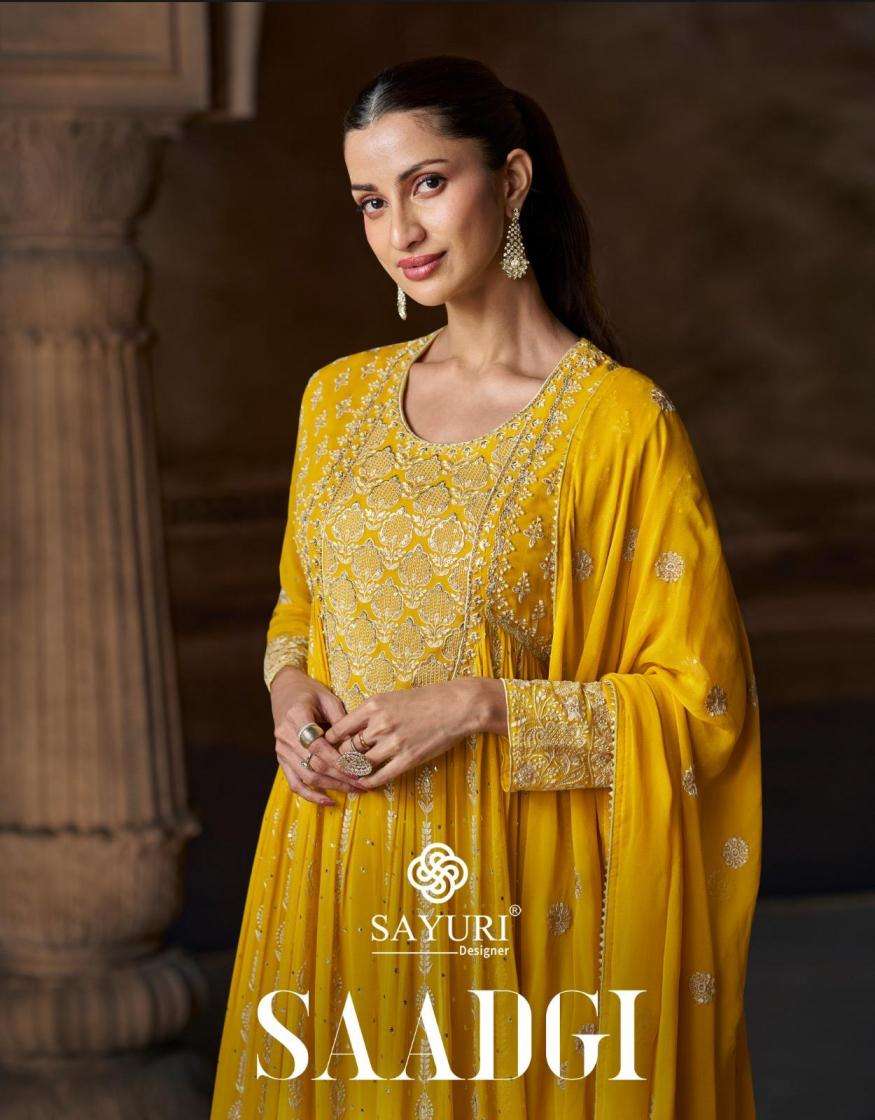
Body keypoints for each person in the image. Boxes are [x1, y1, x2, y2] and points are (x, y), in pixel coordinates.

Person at [210, 55, 761, 1120]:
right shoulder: (335, 400)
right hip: (335, 860)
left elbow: (701, 708)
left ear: (509, 181)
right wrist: (287, 691)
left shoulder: (616, 424)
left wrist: (477, 705)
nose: (400, 229)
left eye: (427, 183)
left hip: (516, 888)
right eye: (371, 201)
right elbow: (300, 607)